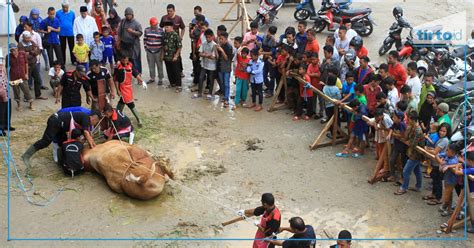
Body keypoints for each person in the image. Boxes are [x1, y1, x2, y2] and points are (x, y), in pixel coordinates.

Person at [21, 111, 101, 168]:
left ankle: (62, 162)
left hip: (61, 126)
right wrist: (93, 145)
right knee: (45, 141)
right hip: (56, 121)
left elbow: (84, 132)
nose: (95, 124)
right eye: (96, 122)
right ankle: (26, 155)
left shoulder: (84, 117)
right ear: (94, 118)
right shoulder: (86, 117)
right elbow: (86, 132)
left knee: (63, 142)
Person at [395, 110, 425, 195]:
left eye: (408, 119)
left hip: (416, 154)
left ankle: (404, 187)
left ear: (412, 120)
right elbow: (406, 137)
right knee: (417, 170)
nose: (407, 120)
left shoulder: (418, 130)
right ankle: (418, 186)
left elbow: (412, 144)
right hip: (412, 152)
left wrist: (407, 141)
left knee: (406, 171)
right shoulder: (412, 127)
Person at [114, 53, 146, 127]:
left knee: (122, 102)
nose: (125, 61)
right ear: (121, 59)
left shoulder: (130, 65)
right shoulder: (118, 68)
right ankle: (139, 119)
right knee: (129, 103)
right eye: (124, 60)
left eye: (127, 59)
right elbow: (115, 80)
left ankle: (116, 116)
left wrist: (142, 81)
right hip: (122, 88)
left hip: (129, 87)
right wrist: (117, 90)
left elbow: (136, 74)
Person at [424, 123, 451, 205]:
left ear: (447, 132)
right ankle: (433, 194)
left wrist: (427, 149)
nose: (441, 132)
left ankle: (438, 198)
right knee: (434, 179)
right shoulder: (441, 138)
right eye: (440, 130)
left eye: (444, 131)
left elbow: (435, 151)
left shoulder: (445, 140)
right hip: (434, 162)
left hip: (439, 164)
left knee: (438, 181)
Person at [17, 32, 47, 100]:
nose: (28, 39)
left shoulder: (32, 42)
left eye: (29, 37)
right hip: (26, 66)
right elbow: (23, 56)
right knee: (26, 82)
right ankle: (26, 97)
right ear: (23, 38)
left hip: (34, 64)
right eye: (27, 38)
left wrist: (30, 52)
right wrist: (33, 52)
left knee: (38, 80)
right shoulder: (20, 45)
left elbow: (38, 51)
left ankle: (38, 95)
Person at [367, 108, 393, 184]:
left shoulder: (386, 119)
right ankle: (385, 167)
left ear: (381, 116)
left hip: (389, 137)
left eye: (377, 117)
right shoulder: (381, 117)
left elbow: (389, 129)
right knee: (383, 153)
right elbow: (373, 122)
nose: (376, 118)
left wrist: (379, 127)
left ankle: (386, 168)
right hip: (385, 136)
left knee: (387, 154)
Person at [159, 4, 186, 77]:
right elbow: (160, 27)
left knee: (178, 56)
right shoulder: (164, 18)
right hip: (167, 40)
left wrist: (181, 36)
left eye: (171, 11)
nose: (169, 13)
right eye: (168, 11)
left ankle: (180, 71)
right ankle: (171, 72)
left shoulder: (178, 18)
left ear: (174, 11)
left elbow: (183, 28)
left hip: (176, 40)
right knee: (167, 56)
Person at [6, 43, 34, 111]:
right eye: (11, 51)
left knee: (26, 90)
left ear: (17, 49)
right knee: (16, 91)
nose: (13, 52)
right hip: (14, 77)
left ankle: (31, 104)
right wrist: (8, 79)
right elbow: (7, 67)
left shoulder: (23, 54)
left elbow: (26, 64)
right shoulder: (8, 56)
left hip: (22, 76)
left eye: (14, 50)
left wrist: (26, 73)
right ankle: (19, 104)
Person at [437, 143, 461, 216]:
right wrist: (441, 160)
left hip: (451, 181)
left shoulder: (453, 160)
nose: (446, 152)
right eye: (447, 150)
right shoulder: (448, 155)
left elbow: (445, 165)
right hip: (447, 179)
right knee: (449, 195)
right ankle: (448, 209)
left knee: (447, 197)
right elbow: (439, 155)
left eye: (448, 151)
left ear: (453, 153)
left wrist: (443, 163)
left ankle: (448, 208)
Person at [117, 7, 143, 73]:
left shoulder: (137, 23)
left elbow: (140, 33)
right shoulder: (123, 22)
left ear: (132, 15)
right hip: (124, 44)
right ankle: (128, 74)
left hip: (133, 45)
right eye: (127, 14)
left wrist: (132, 32)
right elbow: (119, 33)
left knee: (135, 60)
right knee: (125, 59)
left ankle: (138, 74)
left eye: (129, 14)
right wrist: (118, 42)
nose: (128, 16)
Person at [195, 29, 218, 98]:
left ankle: (210, 93)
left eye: (209, 37)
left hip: (212, 65)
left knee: (211, 79)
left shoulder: (214, 45)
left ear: (212, 37)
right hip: (204, 64)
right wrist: (206, 55)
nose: (208, 39)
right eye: (206, 37)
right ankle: (199, 93)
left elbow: (214, 57)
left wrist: (205, 55)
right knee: (201, 78)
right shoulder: (204, 43)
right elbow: (199, 53)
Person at [386, 110, 408, 183]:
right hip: (397, 145)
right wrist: (389, 134)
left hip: (403, 147)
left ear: (399, 118)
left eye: (395, 117)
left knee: (403, 162)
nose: (393, 118)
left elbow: (403, 135)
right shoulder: (395, 123)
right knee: (392, 160)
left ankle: (403, 178)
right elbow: (392, 128)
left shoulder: (402, 124)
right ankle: (392, 175)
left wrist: (394, 135)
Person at [162, 20, 183, 91]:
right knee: (169, 71)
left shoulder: (175, 35)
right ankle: (172, 83)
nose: (165, 28)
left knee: (176, 71)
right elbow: (163, 46)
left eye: (167, 27)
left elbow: (179, 46)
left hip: (174, 57)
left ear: (171, 27)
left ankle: (179, 86)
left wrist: (176, 56)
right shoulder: (165, 35)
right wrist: (162, 55)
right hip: (167, 57)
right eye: (165, 27)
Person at [144, 17, 164, 85]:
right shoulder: (146, 30)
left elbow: (163, 42)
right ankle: (152, 78)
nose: (155, 26)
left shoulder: (161, 31)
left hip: (158, 51)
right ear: (150, 24)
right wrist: (146, 48)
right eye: (154, 24)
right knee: (151, 66)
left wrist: (162, 52)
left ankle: (160, 79)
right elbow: (145, 39)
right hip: (149, 51)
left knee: (159, 65)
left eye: (156, 24)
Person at [217, 31, 233, 108]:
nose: (220, 40)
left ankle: (226, 98)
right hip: (220, 67)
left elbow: (227, 58)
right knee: (222, 83)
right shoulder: (221, 45)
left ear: (226, 39)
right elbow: (217, 56)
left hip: (226, 68)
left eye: (222, 39)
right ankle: (224, 96)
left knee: (226, 84)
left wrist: (221, 50)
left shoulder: (229, 47)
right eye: (220, 39)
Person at [56, 1, 76, 65]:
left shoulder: (72, 13)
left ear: (68, 7)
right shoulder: (58, 13)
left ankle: (73, 60)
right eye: (64, 7)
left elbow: (73, 22)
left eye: (66, 7)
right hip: (61, 33)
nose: (65, 9)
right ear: (62, 7)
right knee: (62, 48)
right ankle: (62, 61)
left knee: (72, 47)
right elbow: (57, 22)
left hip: (70, 32)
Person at [261, 26, 278, 98]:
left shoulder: (274, 41)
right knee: (264, 75)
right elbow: (262, 45)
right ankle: (268, 87)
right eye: (269, 32)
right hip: (265, 59)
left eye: (271, 33)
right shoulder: (264, 37)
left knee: (272, 76)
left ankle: (271, 91)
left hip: (271, 60)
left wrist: (262, 53)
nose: (269, 34)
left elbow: (271, 53)